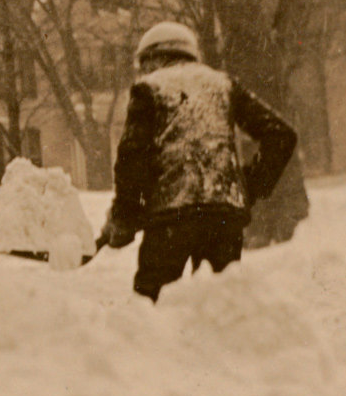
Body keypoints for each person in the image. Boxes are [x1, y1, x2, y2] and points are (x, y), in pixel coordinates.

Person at [96, 21, 298, 304]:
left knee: (149, 310)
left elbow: (132, 162)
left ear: (154, 57)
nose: (143, 71)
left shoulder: (149, 89)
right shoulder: (223, 84)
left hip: (171, 220)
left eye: (144, 64)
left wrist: (123, 219)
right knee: (225, 309)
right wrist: (247, 186)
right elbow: (281, 135)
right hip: (224, 217)